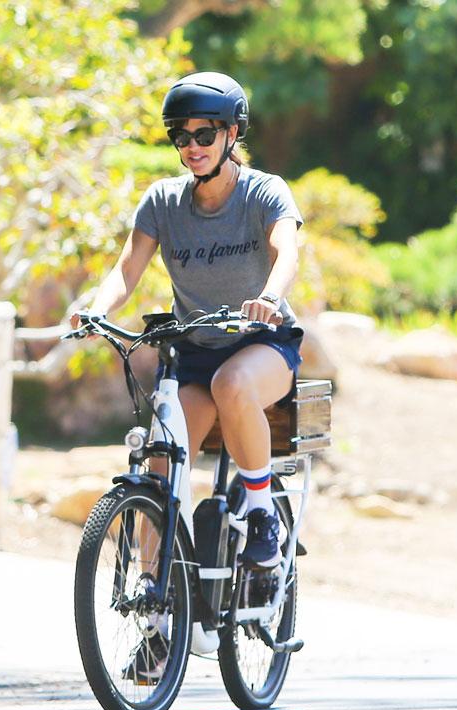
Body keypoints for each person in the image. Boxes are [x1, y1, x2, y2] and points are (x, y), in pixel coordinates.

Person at [75, 71, 304, 571]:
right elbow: (127, 269)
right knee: (162, 476)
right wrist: (97, 308)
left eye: (205, 134)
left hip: (262, 346)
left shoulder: (264, 192)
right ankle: (158, 624)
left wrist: (269, 295)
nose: (192, 146)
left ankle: (262, 512)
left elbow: (286, 251)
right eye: (182, 135)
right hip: (193, 356)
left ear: (231, 134)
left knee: (233, 383)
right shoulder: (162, 201)